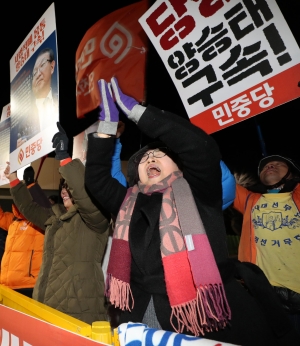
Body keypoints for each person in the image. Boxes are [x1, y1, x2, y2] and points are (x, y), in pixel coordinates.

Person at [84, 78, 299, 345]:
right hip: (140, 316)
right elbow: (95, 180)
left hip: (207, 319)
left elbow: (201, 148)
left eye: (160, 155)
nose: (150, 158)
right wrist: (105, 128)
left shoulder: (200, 193)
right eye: (142, 159)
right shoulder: (128, 200)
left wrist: (139, 112)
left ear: (180, 167)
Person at [6, 123, 110, 324]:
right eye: (62, 187)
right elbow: (29, 208)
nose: (64, 191)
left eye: (68, 188)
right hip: (46, 307)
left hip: (78, 313)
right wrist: (13, 180)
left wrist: (64, 159)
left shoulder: (95, 218)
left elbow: (86, 197)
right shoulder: (55, 218)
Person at [233, 155, 300, 334]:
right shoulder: (249, 200)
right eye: (265, 166)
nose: (270, 166)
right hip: (264, 294)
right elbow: (218, 176)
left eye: (278, 164)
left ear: (292, 174)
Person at [0, 166, 50, 298]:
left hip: (28, 286)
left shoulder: (40, 222)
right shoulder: (13, 221)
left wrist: (30, 183)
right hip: (6, 284)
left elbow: (44, 207)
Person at [16, 47, 58, 148]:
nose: (38, 74)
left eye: (42, 65)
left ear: (52, 67)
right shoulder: (23, 125)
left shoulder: (60, 103)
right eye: (34, 72)